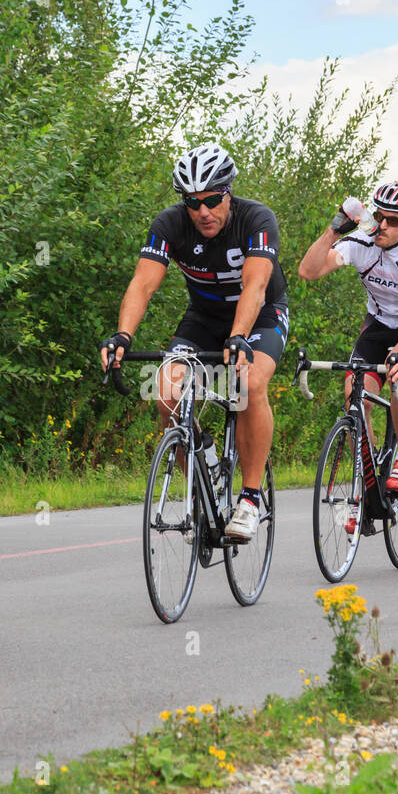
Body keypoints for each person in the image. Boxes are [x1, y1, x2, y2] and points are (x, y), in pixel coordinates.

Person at [100, 143, 288, 542]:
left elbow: (255, 287)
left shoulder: (257, 219)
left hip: (260, 314)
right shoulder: (170, 225)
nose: (203, 211)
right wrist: (123, 336)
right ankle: (203, 465)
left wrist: (238, 337)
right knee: (165, 390)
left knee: (249, 384)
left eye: (212, 200)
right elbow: (143, 283)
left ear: (229, 192)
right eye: (192, 202)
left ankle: (251, 499)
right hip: (204, 318)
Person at [297, 180, 398, 493]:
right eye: (379, 216)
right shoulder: (361, 243)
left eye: (393, 221)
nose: (383, 225)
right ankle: (369, 469)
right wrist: (334, 230)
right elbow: (308, 271)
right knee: (353, 392)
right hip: (378, 325)